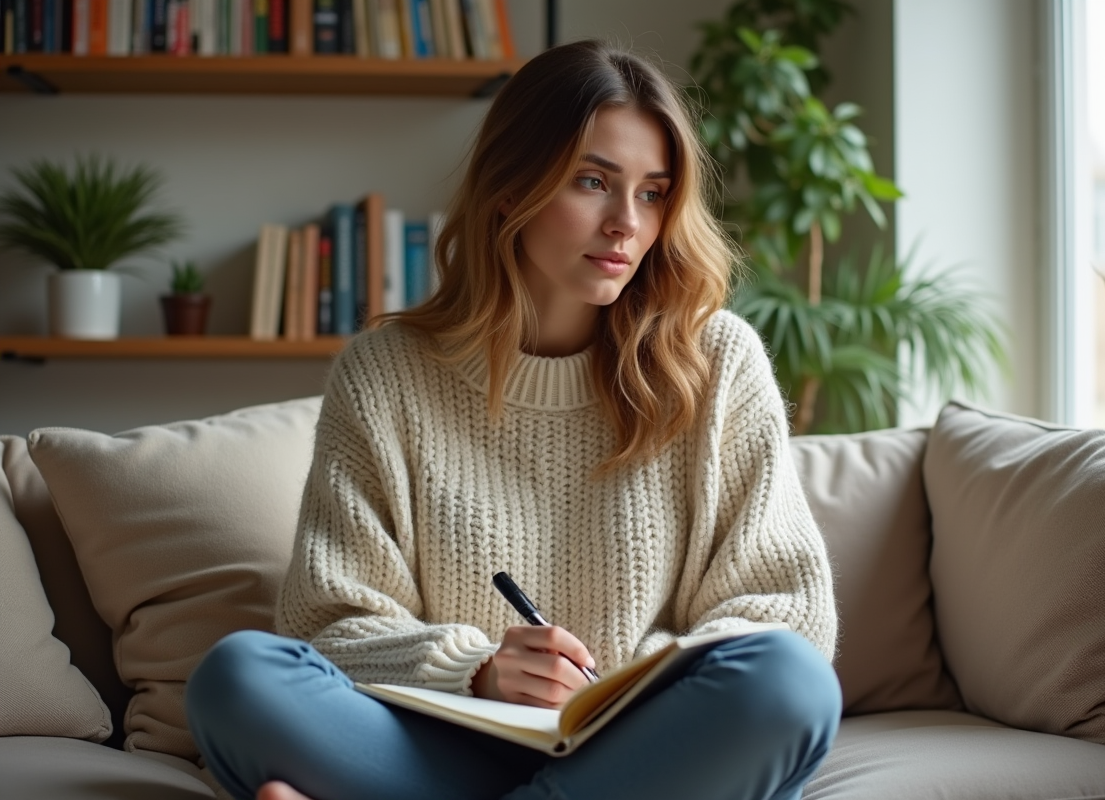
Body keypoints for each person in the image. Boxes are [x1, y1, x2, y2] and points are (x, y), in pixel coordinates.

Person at [186, 38, 842, 800]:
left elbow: (788, 612)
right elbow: (329, 623)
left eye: (653, 193)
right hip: (442, 747)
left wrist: (631, 686)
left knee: (790, 681)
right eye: (593, 182)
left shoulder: (718, 361)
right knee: (238, 678)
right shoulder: (386, 373)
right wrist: (480, 671)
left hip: (645, 748)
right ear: (510, 189)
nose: (626, 223)